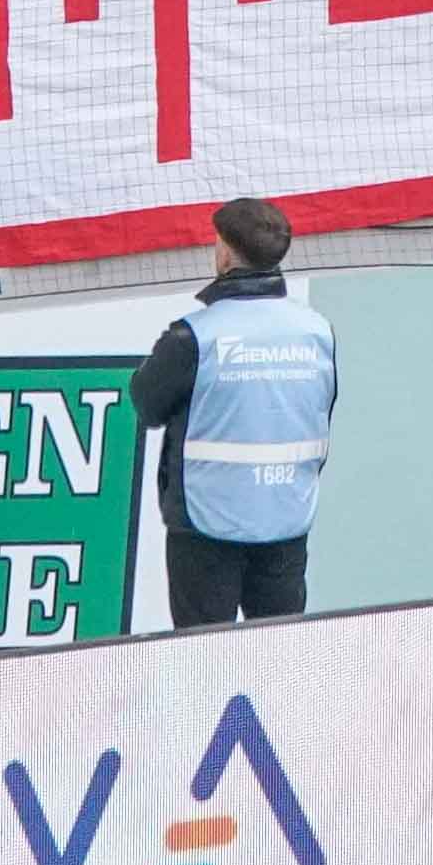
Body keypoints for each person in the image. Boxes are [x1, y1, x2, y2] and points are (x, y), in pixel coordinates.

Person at [133, 193, 338, 621]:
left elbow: (146, 403)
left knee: (206, 663)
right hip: (286, 518)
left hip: (206, 524)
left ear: (224, 251)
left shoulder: (194, 337)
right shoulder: (317, 331)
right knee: (277, 658)